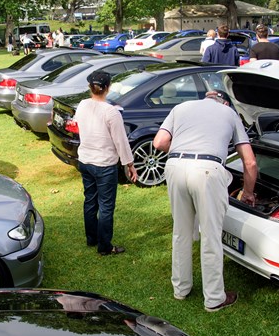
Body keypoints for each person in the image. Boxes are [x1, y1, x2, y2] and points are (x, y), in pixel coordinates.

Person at [152, 90, 258, 312]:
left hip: (174, 167)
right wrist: (248, 192)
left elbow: (159, 142)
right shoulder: (229, 113)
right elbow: (249, 163)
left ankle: (181, 289)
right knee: (210, 235)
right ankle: (214, 298)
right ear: (224, 102)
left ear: (205, 98)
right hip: (208, 170)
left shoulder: (181, 108)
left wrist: (185, 154)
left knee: (180, 231)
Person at [73, 69, 138, 256]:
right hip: (103, 164)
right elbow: (121, 141)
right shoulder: (111, 112)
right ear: (108, 88)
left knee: (90, 201)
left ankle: (92, 239)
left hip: (85, 161)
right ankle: (104, 247)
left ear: (90, 87)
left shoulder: (83, 105)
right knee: (106, 206)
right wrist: (130, 164)